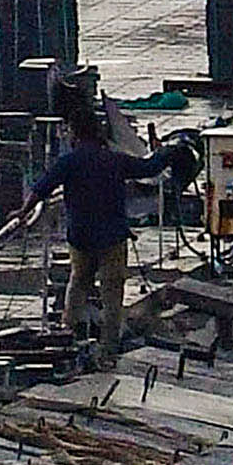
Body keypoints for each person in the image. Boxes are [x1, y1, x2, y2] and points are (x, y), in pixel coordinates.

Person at [35, 96, 144, 354]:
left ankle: (67, 336)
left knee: (78, 283)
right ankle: (108, 345)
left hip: (80, 236)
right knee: (112, 292)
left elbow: (41, 188)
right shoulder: (115, 160)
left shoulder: (69, 162)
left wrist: (23, 212)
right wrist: (170, 153)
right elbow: (148, 168)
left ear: (75, 133)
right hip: (112, 237)